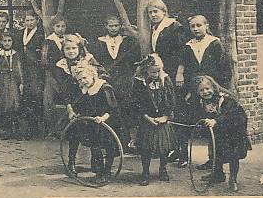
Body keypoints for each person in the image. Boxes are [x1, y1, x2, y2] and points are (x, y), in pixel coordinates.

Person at [173, 14, 232, 166]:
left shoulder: (215, 44)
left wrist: (219, 90)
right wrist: (181, 76)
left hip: (211, 91)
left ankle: (213, 160)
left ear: (206, 26)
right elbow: (184, 67)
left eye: (199, 25)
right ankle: (183, 156)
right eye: (192, 26)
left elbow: (225, 69)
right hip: (194, 91)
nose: (195, 29)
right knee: (185, 121)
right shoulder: (188, 46)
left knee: (212, 125)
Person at [186, 75, 252, 191]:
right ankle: (218, 174)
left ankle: (233, 178)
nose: (205, 92)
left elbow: (230, 114)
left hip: (234, 130)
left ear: (213, 87)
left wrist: (215, 121)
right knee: (215, 153)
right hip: (218, 131)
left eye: (207, 88)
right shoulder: (202, 101)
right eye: (201, 90)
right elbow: (200, 114)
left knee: (233, 156)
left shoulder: (225, 98)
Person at [91, 15, 141, 151]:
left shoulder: (128, 41)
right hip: (107, 79)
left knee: (125, 108)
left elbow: (134, 61)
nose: (113, 28)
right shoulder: (99, 42)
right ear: (105, 26)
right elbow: (96, 61)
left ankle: (127, 143)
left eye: (116, 25)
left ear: (120, 26)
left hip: (124, 79)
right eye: (110, 26)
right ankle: (110, 143)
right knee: (109, 109)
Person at [63, 65, 120, 187]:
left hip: (107, 121)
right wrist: (76, 114)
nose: (83, 81)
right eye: (79, 79)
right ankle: (99, 172)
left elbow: (113, 109)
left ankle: (107, 171)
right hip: (92, 123)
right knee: (95, 147)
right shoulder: (84, 89)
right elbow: (81, 106)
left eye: (84, 78)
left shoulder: (104, 88)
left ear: (93, 75)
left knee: (108, 147)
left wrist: (103, 118)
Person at [129, 54, 177, 186]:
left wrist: (166, 117)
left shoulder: (165, 79)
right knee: (146, 148)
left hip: (162, 120)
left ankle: (163, 169)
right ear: (146, 70)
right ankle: (145, 173)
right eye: (152, 72)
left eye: (158, 71)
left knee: (164, 148)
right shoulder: (139, 82)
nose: (156, 74)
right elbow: (135, 102)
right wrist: (146, 117)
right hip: (147, 120)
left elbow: (172, 99)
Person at [0, 33, 23, 140]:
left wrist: (21, 83)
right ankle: (7, 130)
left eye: (9, 41)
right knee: (4, 105)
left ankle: (15, 131)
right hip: (2, 81)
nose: (7, 43)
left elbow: (20, 70)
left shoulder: (16, 54)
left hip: (14, 82)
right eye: (5, 41)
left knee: (15, 105)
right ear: (1, 42)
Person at [18, 13, 45, 139]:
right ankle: (27, 127)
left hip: (35, 69)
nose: (29, 22)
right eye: (27, 20)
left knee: (35, 95)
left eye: (32, 20)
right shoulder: (21, 33)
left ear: (37, 20)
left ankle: (36, 128)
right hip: (23, 68)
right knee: (25, 96)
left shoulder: (40, 33)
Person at [147, 0, 188, 77]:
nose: (153, 15)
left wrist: (180, 73)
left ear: (163, 12)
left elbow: (183, 51)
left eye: (155, 11)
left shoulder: (174, 26)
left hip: (174, 70)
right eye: (150, 12)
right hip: (161, 69)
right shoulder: (154, 28)